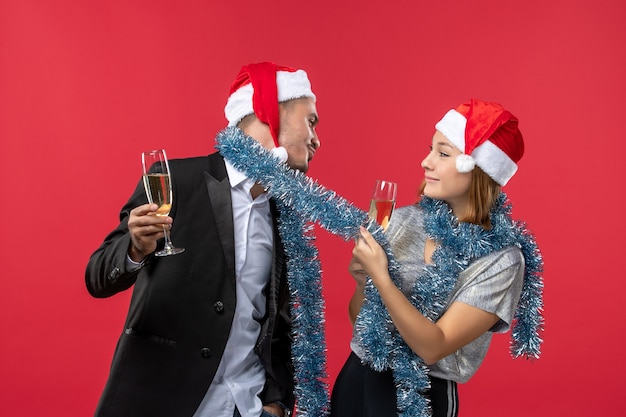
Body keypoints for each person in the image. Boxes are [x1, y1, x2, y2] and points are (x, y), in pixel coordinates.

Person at [85, 62, 320, 417]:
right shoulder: (175, 181)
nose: (316, 138)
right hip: (166, 400)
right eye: (310, 121)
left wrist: (276, 402)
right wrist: (134, 248)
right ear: (269, 113)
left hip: (247, 404)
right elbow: (97, 277)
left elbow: (279, 323)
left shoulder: (284, 213)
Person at [330, 99, 543, 417]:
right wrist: (364, 282)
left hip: (421, 396)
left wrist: (383, 280)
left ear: (478, 169)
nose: (425, 162)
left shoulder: (501, 260)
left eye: (443, 153)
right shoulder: (401, 221)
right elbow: (360, 324)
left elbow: (433, 346)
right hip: (356, 379)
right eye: (430, 149)